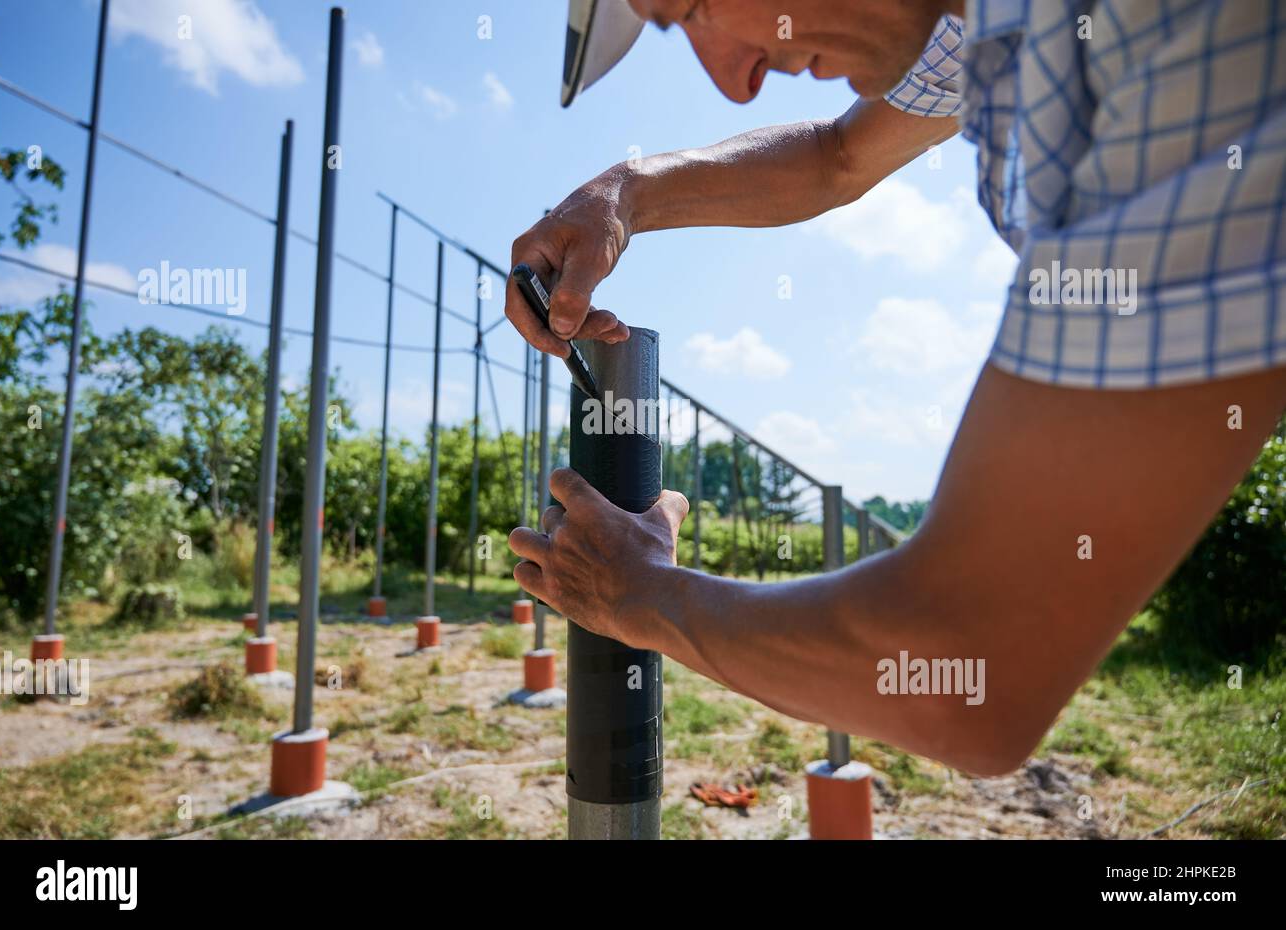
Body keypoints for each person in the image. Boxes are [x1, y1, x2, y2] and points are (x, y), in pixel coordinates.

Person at [503, 0, 1286, 775]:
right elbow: (835, 157)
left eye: (695, 5)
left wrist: (642, 596)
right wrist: (628, 193)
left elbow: (969, 669)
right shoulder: (980, 28)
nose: (737, 82)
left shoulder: (1169, 39)